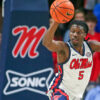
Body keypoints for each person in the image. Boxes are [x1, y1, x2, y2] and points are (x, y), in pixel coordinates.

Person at [42, 19, 100, 100]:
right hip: (60, 90)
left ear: (85, 34)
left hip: (77, 93)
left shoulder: (91, 46)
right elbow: (47, 43)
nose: (75, 34)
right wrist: (56, 23)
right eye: (72, 31)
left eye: (78, 32)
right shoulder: (64, 48)